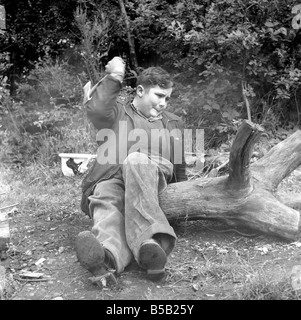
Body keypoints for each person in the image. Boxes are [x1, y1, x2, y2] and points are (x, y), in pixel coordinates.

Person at [76, 56, 187, 282]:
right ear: (139, 91)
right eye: (158, 95)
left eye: (167, 98)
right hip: (114, 176)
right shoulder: (117, 113)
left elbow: (180, 164)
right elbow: (96, 109)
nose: (164, 103)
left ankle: (155, 244)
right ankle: (107, 257)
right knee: (106, 198)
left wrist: (184, 199)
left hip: (153, 178)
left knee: (136, 160)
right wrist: (115, 76)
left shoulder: (172, 123)